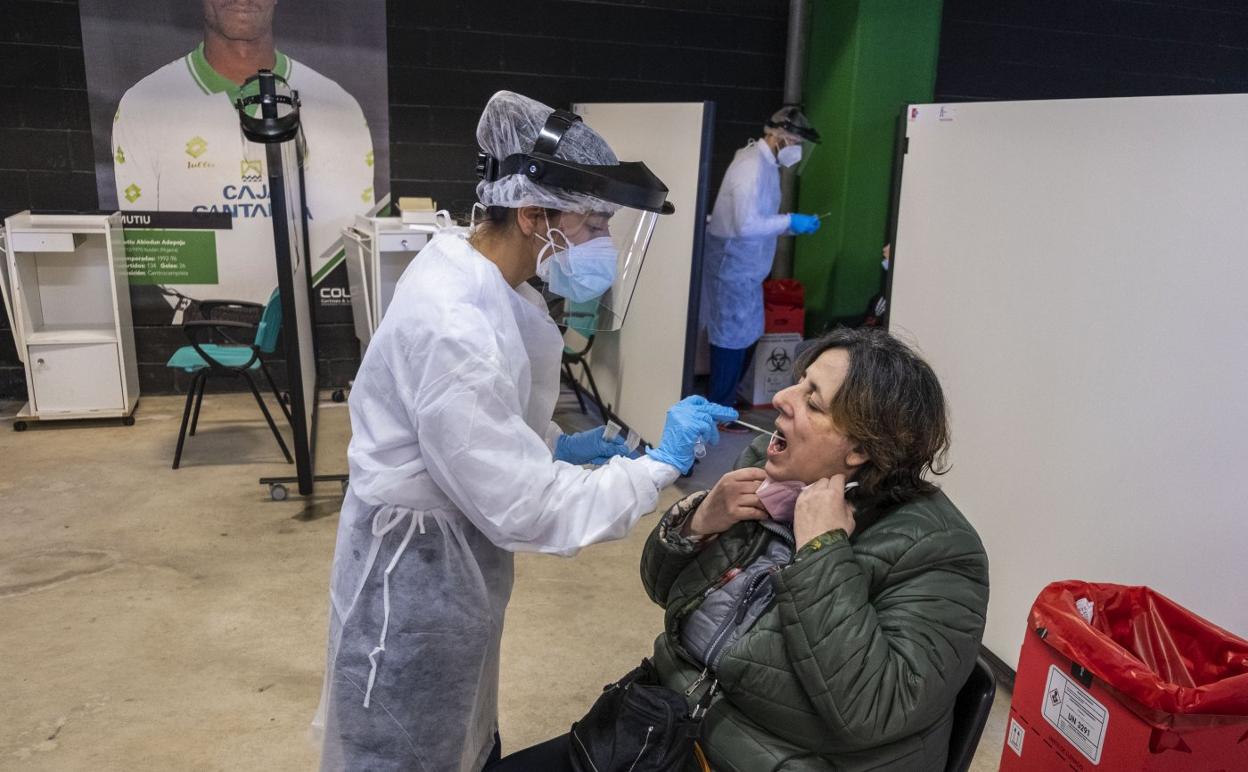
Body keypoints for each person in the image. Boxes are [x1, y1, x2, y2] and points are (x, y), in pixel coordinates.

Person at [315, 90, 738, 772]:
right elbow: (528, 508)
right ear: (534, 213)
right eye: (594, 222)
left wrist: (548, 447)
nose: (602, 243)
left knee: (457, 739)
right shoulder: (456, 326)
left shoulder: (484, 277)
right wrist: (657, 464)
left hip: (448, 561)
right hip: (417, 584)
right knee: (405, 747)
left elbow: (470, 435)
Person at [492, 328, 989, 771]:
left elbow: (870, 710)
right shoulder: (772, 472)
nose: (780, 398)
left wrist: (822, 551)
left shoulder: (941, 551)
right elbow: (662, 590)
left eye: (813, 402)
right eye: (798, 381)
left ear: (861, 450)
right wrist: (700, 522)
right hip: (660, 724)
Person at [112, 0, 375, 324]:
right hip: (200, 328)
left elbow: (355, 241)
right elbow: (143, 240)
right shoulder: (144, 103)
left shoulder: (339, 106)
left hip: (313, 331)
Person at [701, 105, 823, 411]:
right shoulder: (751, 166)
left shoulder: (766, 165)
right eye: (796, 144)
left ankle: (726, 403)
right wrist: (790, 221)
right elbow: (746, 225)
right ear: (779, 136)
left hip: (748, 268)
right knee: (730, 337)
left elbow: (761, 219)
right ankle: (719, 409)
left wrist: (791, 226)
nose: (796, 150)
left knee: (747, 333)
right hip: (733, 266)